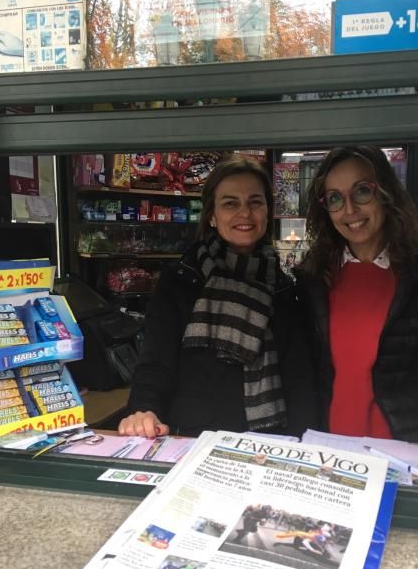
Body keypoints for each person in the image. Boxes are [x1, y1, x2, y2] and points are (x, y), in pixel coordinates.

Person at [118, 155, 316, 439]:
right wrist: (143, 409)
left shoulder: (283, 288)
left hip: (267, 444)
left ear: (267, 212)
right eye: (230, 203)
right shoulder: (182, 279)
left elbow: (299, 380)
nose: (244, 213)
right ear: (212, 215)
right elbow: (156, 362)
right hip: (193, 438)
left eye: (255, 202)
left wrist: (302, 443)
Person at [295, 145, 418, 449]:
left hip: (412, 460)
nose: (349, 210)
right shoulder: (314, 280)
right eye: (334, 198)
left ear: (386, 193)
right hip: (334, 459)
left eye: (362, 191)